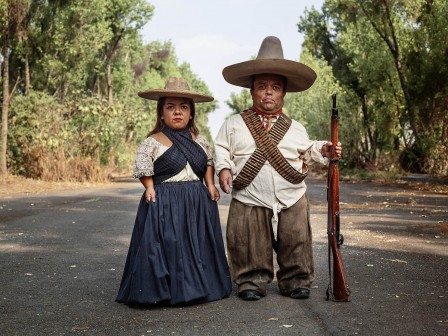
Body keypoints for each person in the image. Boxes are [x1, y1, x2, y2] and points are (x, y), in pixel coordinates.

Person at [214, 36, 342, 301]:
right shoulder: (233, 124)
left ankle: (296, 280)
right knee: (248, 241)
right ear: (251, 91)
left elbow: (308, 149)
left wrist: (325, 150)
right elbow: (222, 149)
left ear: (284, 92)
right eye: (262, 86)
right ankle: (250, 280)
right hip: (249, 193)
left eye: (275, 87)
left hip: (290, 193)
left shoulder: (295, 128)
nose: (268, 92)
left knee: (296, 238)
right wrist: (224, 169)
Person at [116, 77, 232, 306]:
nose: (177, 112)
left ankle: (196, 287)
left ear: (191, 114)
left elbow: (208, 162)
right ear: (161, 114)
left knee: (195, 244)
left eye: (183, 107)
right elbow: (144, 166)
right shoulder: (153, 141)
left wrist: (210, 184)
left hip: (196, 200)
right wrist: (149, 187)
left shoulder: (200, 141)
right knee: (166, 243)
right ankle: (161, 291)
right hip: (164, 200)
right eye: (170, 107)